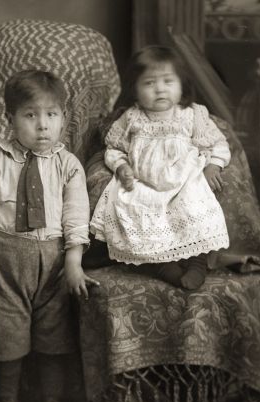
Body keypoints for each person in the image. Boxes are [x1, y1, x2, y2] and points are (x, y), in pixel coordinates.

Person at [0, 69, 98, 402]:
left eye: (51, 115)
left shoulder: (68, 165)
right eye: (30, 115)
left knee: (54, 335)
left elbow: (76, 214)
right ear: (10, 118)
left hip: (53, 262)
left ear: (64, 120)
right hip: (4, 259)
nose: (42, 126)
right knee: (7, 334)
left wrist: (73, 259)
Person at [90, 45, 231, 290]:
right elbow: (113, 149)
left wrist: (213, 167)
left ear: (181, 85)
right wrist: (122, 166)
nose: (160, 89)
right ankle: (162, 265)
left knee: (194, 205)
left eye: (168, 81)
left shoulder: (191, 115)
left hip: (183, 180)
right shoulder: (131, 118)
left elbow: (218, 144)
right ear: (134, 89)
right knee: (133, 208)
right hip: (144, 181)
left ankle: (197, 263)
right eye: (149, 83)